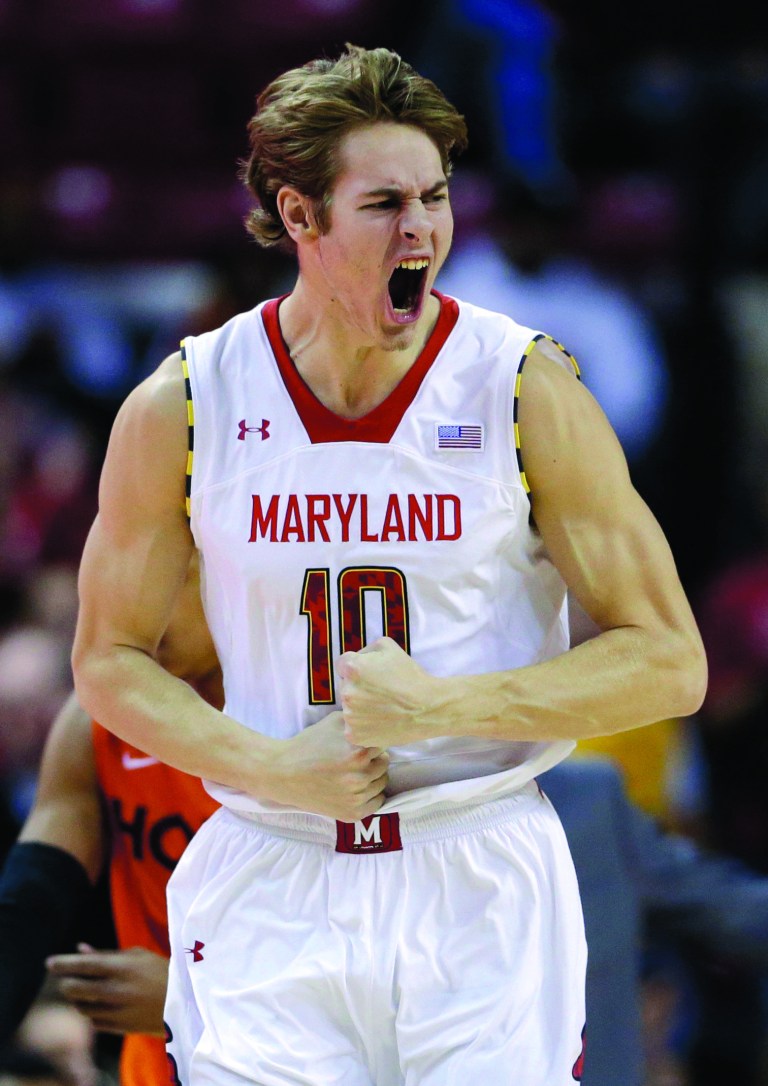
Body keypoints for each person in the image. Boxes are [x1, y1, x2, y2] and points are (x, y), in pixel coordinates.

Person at [71, 44, 707, 1085]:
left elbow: (670, 661)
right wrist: (273, 765)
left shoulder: (523, 386)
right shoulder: (187, 402)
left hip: (478, 870)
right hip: (272, 867)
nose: (423, 229)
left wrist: (448, 706)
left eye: (437, 198)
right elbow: (108, 661)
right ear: (301, 217)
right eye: (386, 204)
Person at [0, 560, 220, 1086]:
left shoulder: (311, 721)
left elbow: (367, 957)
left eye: (166, 583)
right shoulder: (99, 716)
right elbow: (31, 899)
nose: (137, 618)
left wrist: (190, 999)